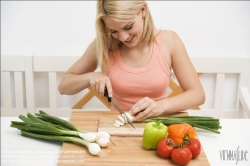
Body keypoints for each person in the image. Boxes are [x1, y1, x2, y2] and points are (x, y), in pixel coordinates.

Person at [58, 0, 205, 121]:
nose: (123, 37)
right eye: (113, 31)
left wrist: (162, 106)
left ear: (142, 10)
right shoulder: (104, 44)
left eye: (128, 27)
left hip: (159, 126)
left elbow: (197, 94)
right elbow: (63, 87)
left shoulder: (169, 41)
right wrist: (91, 76)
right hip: (119, 125)